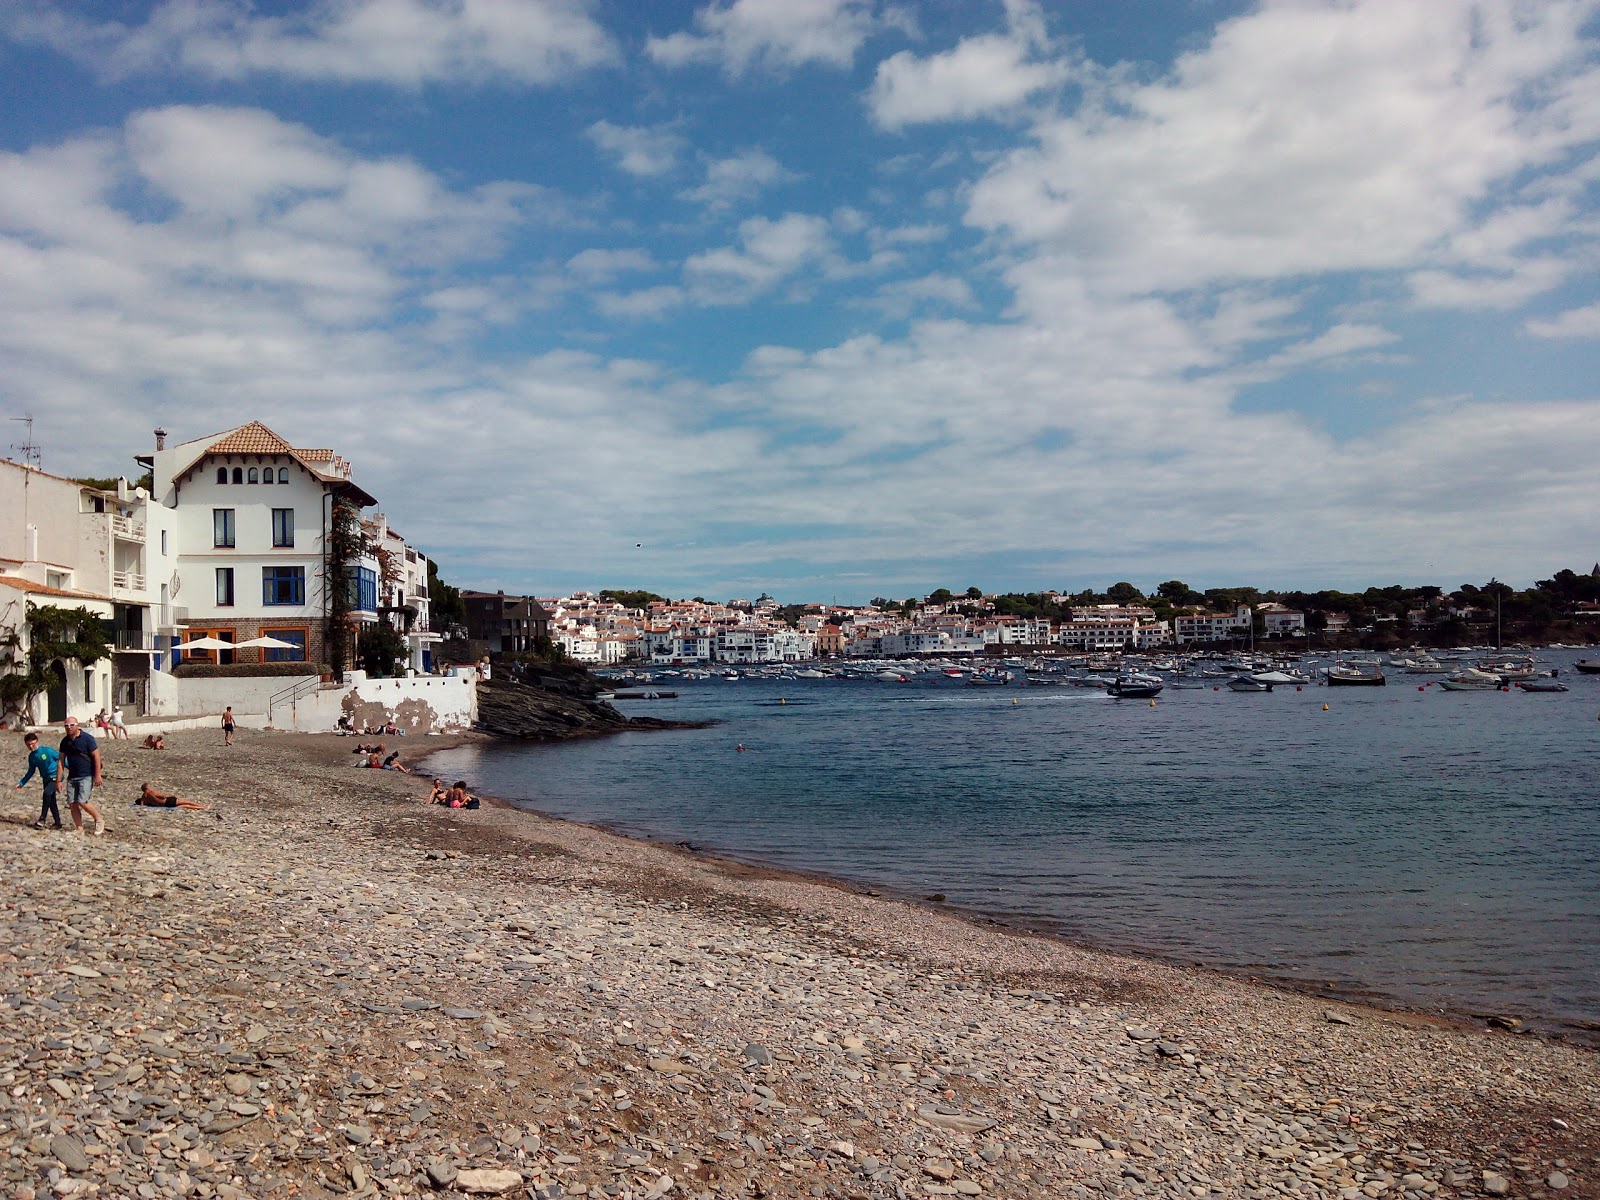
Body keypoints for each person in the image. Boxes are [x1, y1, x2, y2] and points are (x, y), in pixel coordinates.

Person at [59, 716, 106, 836]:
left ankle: (98, 819)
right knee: (72, 803)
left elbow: (96, 755)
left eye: (71, 725)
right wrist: (59, 780)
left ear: (77, 725)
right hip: (72, 776)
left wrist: (97, 775)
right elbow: (61, 761)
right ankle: (79, 828)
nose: (69, 728)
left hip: (86, 775)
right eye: (66, 726)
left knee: (82, 800)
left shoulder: (87, 739)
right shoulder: (65, 742)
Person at [16, 731, 63, 829]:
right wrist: (22, 783)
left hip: (55, 776)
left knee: (46, 793)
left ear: (37, 742)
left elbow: (62, 759)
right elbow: (31, 771)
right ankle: (58, 823)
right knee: (51, 801)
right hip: (46, 778)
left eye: (33, 744)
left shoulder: (47, 751)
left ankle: (42, 818)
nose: (31, 746)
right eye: (29, 745)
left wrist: (73, 771)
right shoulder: (32, 757)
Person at [134, 782, 213, 812]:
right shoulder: (150, 792)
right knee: (187, 802)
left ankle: (202, 808)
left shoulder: (144, 797)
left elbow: (142, 805)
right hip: (168, 801)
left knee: (186, 806)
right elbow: (161, 796)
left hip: (165, 805)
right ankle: (203, 807)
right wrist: (170, 795)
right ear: (147, 788)